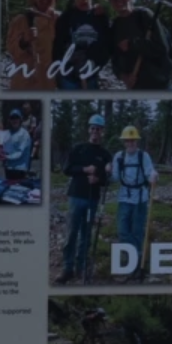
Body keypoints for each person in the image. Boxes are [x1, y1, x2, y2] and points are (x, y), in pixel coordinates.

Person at [60, 112, 113, 280]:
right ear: (89, 130)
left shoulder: (105, 155)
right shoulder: (79, 148)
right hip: (76, 196)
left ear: (102, 131)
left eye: (99, 129)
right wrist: (84, 170)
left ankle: (80, 267)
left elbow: (106, 180)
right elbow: (67, 169)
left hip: (93, 199)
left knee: (86, 235)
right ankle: (67, 268)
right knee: (71, 234)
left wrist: (98, 178)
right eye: (93, 128)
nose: (96, 132)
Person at [109, 121, 160, 281]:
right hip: (124, 197)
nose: (130, 143)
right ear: (124, 142)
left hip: (140, 198)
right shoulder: (119, 156)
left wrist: (153, 175)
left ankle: (135, 264)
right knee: (123, 231)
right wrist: (108, 172)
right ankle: (135, 257)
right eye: (127, 140)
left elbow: (148, 171)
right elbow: (116, 177)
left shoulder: (143, 156)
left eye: (133, 140)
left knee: (137, 231)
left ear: (136, 141)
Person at [104, 0, 172, 91]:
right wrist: (123, 77)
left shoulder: (144, 15)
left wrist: (133, 44)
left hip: (159, 84)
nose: (118, 0)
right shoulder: (115, 26)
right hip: (135, 87)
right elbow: (114, 59)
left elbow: (162, 48)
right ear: (110, 1)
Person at [51, 0, 110, 88]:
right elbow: (57, 48)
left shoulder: (100, 17)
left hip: (91, 76)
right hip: (69, 79)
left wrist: (94, 62)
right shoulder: (65, 18)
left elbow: (107, 45)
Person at [4, 0, 58, 91]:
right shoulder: (20, 20)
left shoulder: (59, 19)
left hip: (48, 83)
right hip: (24, 83)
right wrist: (23, 42)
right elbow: (10, 48)